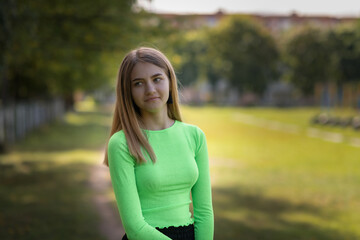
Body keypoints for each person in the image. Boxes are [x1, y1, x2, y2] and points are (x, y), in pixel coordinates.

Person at [103, 47, 214, 240]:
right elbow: (134, 227)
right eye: (138, 83)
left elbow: (204, 212)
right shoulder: (121, 143)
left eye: (157, 79)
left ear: (170, 81)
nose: (150, 90)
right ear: (128, 91)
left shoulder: (195, 136)